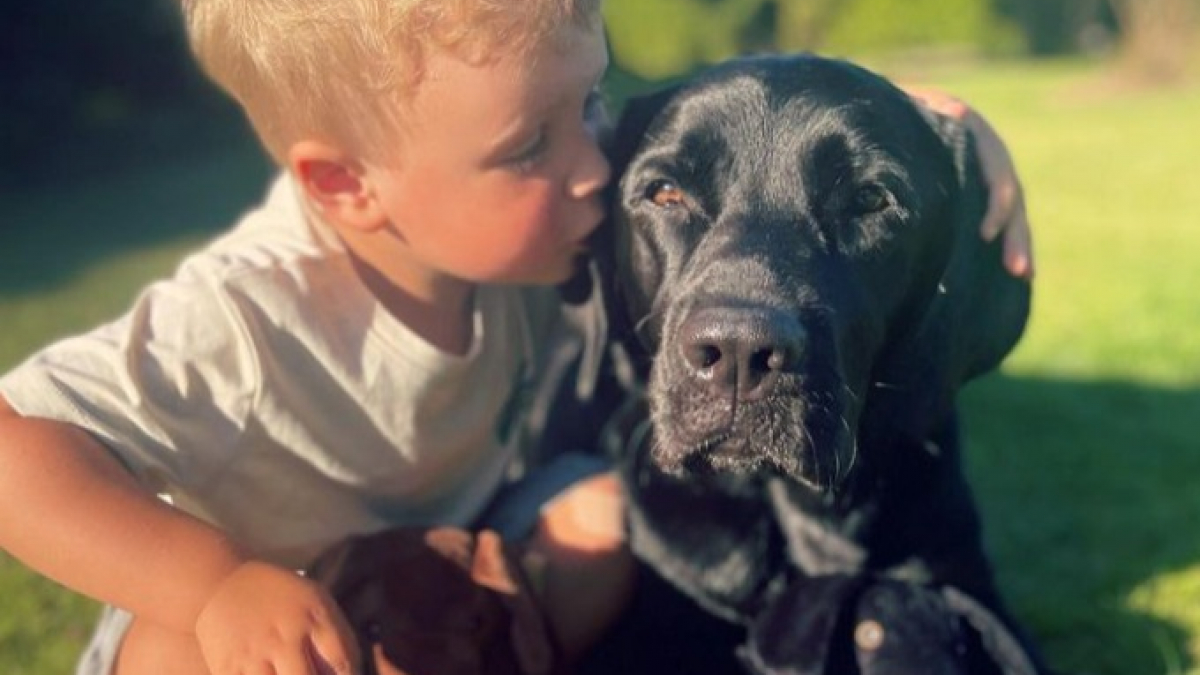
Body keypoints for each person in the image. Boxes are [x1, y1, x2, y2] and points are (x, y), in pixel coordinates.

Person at [0, 1, 1034, 675]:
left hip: (442, 570)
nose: (599, 163)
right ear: (348, 186)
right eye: (533, 141)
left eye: (591, 105)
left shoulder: (521, 243)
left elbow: (765, 135)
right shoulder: (242, 317)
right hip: (248, 611)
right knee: (185, 657)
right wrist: (212, 582)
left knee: (597, 517)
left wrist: (940, 131)